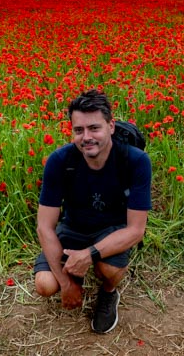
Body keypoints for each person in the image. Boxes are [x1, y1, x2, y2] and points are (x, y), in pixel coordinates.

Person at [34, 89, 152, 334]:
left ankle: (108, 293)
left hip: (112, 229)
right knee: (45, 285)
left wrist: (89, 255)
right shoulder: (59, 161)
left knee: (107, 270)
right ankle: (74, 275)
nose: (86, 137)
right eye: (79, 130)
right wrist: (66, 284)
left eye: (94, 128)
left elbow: (136, 230)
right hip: (73, 227)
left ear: (111, 126)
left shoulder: (135, 161)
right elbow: (44, 227)